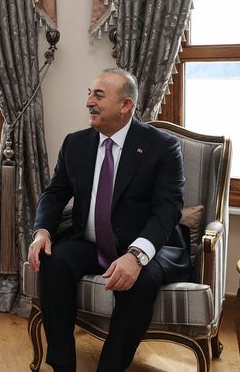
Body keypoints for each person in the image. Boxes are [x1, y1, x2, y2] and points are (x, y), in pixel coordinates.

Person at [27, 69, 190, 372]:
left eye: (98, 96)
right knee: (53, 260)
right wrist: (42, 232)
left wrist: (136, 256)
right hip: (91, 243)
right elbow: (54, 193)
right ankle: (62, 365)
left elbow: (167, 210)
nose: (89, 101)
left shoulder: (162, 147)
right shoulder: (75, 144)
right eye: (89, 93)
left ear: (126, 105)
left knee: (139, 281)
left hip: (148, 245)